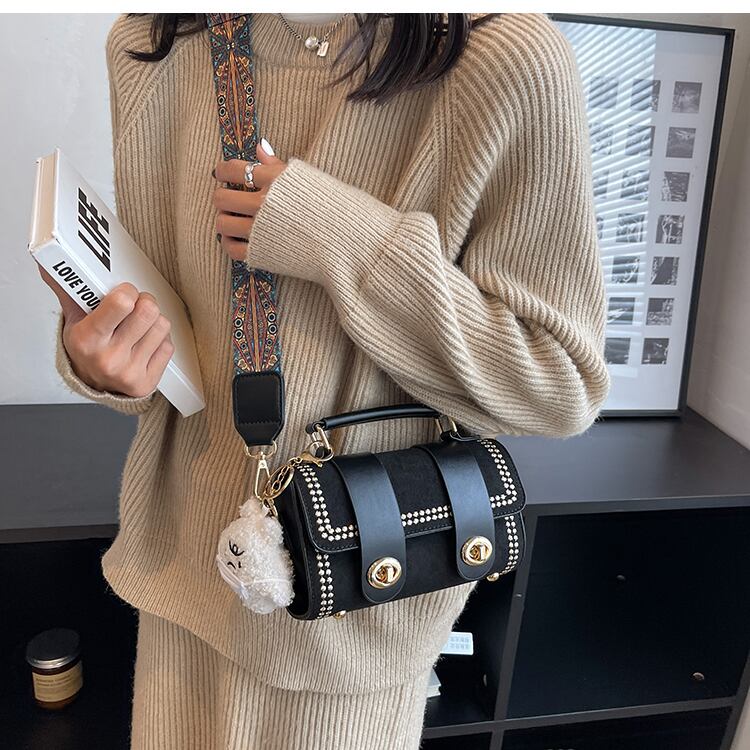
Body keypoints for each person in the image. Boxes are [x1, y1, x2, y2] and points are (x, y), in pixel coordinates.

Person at [39, 12, 611, 750]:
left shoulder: (501, 60)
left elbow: (558, 383)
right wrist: (104, 360)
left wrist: (339, 235)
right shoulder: (156, 44)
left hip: (355, 612)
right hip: (187, 584)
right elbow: (171, 338)